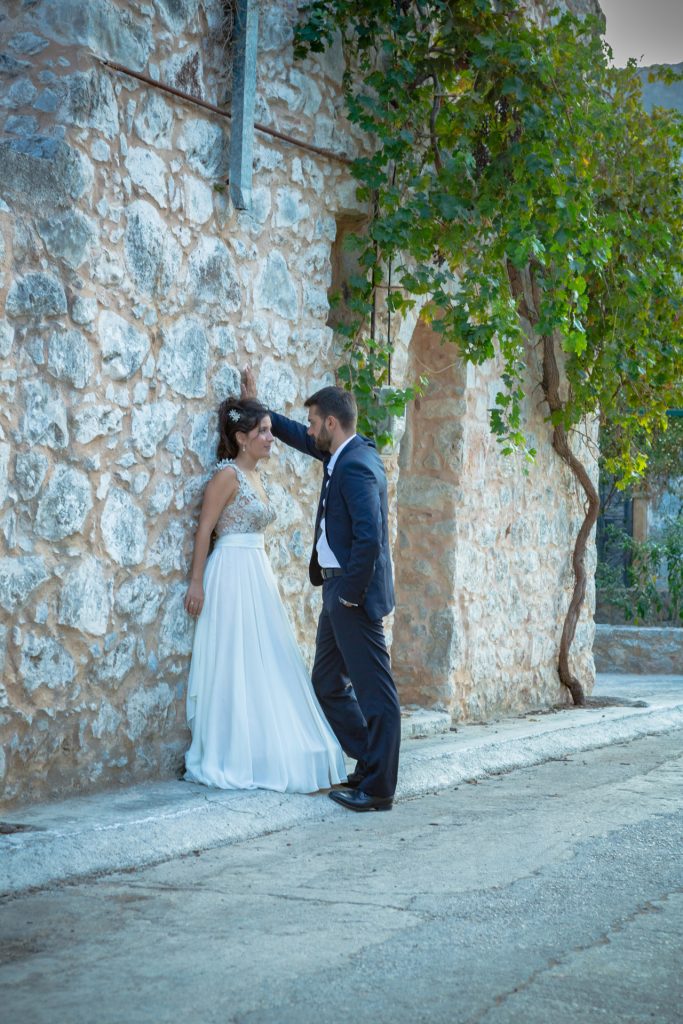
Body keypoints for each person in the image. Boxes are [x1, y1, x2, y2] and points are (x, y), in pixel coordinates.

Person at [242, 367, 401, 812]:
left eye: (314, 422)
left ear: (332, 423)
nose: (309, 429)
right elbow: (295, 435)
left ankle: (379, 788)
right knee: (328, 682)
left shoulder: (355, 468)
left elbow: (370, 537)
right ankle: (369, 761)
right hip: (336, 592)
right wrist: (259, 409)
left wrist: (349, 593)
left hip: (351, 595)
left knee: (376, 692)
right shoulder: (344, 454)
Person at [183, 397, 347, 793]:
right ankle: (236, 749)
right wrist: (196, 581)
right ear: (241, 438)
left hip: (258, 572)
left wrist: (252, 394)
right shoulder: (227, 477)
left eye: (270, 430)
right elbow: (205, 529)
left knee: (267, 656)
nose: (271, 438)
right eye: (263, 432)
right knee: (236, 660)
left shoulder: (257, 476)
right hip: (232, 573)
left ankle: (270, 743)